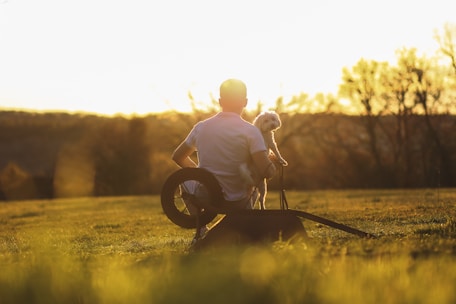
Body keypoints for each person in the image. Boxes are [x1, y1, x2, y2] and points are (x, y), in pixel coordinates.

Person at [172, 78, 277, 211]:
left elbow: (178, 157)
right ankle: (238, 221)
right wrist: (273, 165)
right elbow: (266, 171)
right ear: (245, 102)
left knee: (184, 178)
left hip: (207, 198)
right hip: (239, 201)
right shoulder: (251, 131)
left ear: (220, 102)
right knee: (254, 186)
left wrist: (200, 174)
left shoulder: (201, 128)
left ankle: (203, 230)